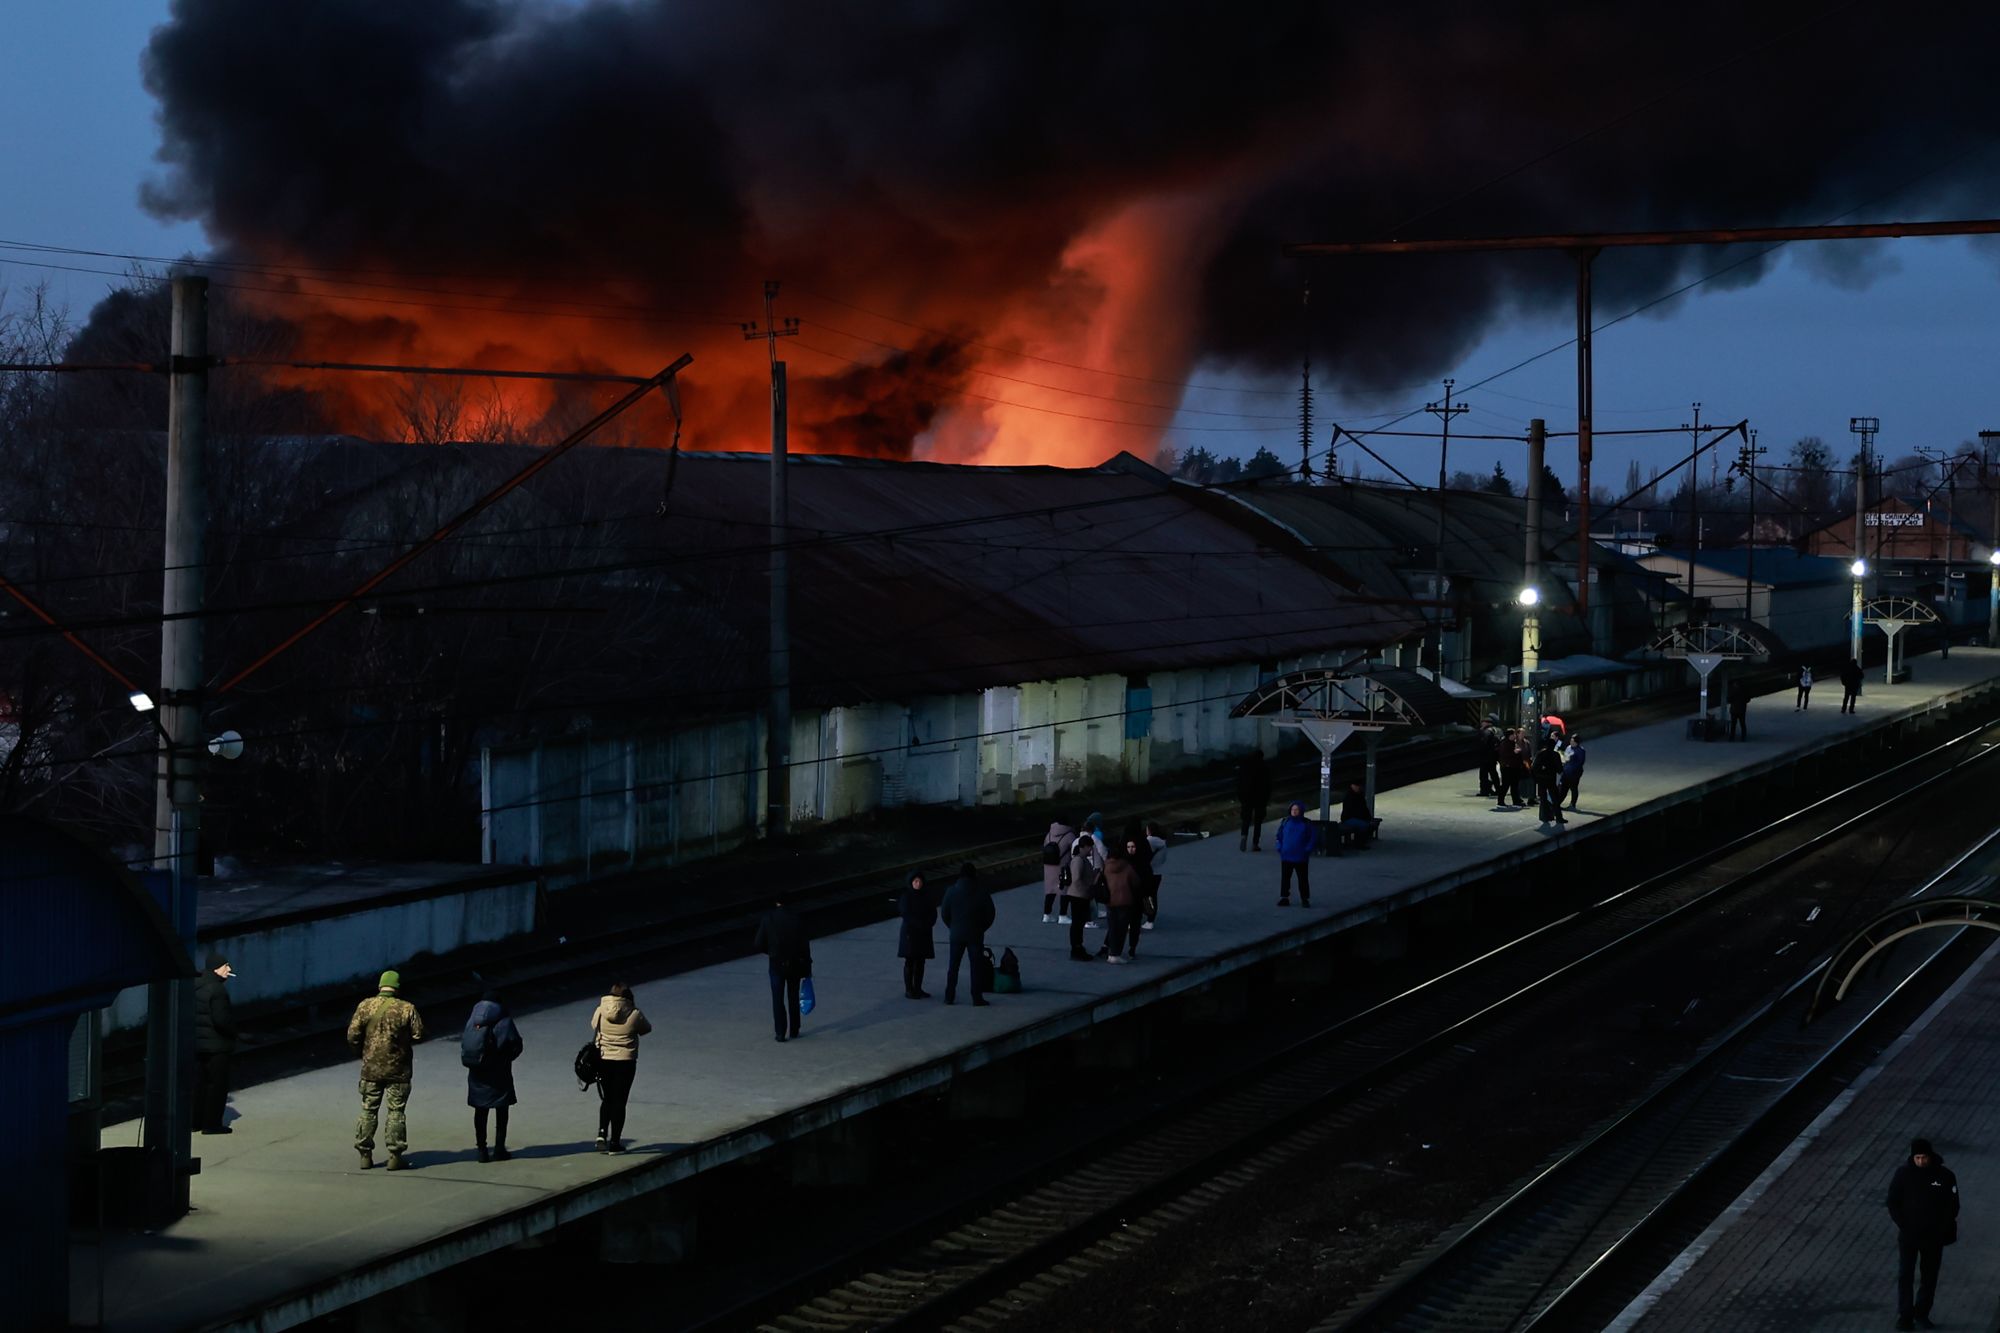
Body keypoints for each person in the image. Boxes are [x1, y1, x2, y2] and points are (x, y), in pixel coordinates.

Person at [347, 969, 425, 1171]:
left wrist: (362, 1052)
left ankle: (365, 1155)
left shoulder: (365, 1006)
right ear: (397, 988)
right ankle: (395, 1156)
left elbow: (352, 1035)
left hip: (371, 1070)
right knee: (396, 1111)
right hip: (399, 1070)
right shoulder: (407, 1008)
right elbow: (419, 1034)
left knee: (368, 1110)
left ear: (380, 986)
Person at [1887, 1136, 1959, 1330]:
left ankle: (1922, 1313)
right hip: (1909, 1236)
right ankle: (1905, 1316)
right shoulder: (1903, 1174)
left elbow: (1953, 1206)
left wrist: (1941, 1228)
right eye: (1917, 1157)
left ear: (1930, 1156)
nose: (1920, 1161)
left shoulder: (1945, 1176)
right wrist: (1903, 1224)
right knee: (1905, 1275)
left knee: (1929, 1276)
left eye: (1924, 1157)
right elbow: (1892, 1202)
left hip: (1933, 1237)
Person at [589, 982, 651, 1152]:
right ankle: (615, 1142)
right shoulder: (634, 1014)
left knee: (607, 1098)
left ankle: (601, 1134)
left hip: (603, 1059)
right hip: (626, 1062)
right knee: (620, 1101)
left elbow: (594, 1025)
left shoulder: (600, 1010)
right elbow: (647, 1029)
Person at [461, 994, 522, 1162]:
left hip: (477, 1071)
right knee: (502, 1110)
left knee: (480, 1111)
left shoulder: (473, 1018)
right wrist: (506, 1058)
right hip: (499, 1071)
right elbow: (516, 1044)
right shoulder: (504, 1019)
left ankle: (482, 1150)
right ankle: (499, 1149)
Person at [753, 899, 812, 1041]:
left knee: (777, 999)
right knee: (793, 996)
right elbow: (804, 944)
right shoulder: (797, 918)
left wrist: (771, 952)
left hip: (776, 964)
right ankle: (794, 1029)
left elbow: (758, 943)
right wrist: (807, 966)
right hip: (795, 963)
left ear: (777, 903)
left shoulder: (768, 918)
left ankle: (780, 1032)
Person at [938, 862, 996, 1005]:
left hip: (956, 934)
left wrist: (953, 927)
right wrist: (981, 928)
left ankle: (949, 996)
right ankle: (977, 997)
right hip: (975, 935)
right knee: (976, 967)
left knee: (953, 966)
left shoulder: (951, 891)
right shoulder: (981, 892)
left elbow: (944, 913)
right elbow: (990, 913)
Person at [192, 953, 238, 1135]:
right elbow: (221, 1020)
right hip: (217, 1045)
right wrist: (235, 1033)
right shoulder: (218, 990)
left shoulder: (196, 986)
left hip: (198, 1044)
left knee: (199, 1084)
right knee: (217, 1086)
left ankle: (195, 1122)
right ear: (216, 968)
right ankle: (211, 1124)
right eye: (226, 965)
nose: (229, 969)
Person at [1100, 836, 1145, 962]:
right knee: (1121, 928)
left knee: (1112, 927)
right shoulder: (1126, 866)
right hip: (1125, 900)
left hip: (1109, 900)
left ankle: (1110, 952)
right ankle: (1116, 954)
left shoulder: (1106, 866)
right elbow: (1136, 882)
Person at [898, 871, 937, 998]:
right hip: (910, 934)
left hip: (923, 933)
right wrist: (920, 924)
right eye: (915, 881)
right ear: (911, 882)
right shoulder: (906, 896)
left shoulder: (927, 896)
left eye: (920, 881)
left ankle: (918, 988)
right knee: (910, 961)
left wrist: (929, 923)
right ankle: (909, 989)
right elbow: (905, 913)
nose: (918, 883)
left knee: (921, 961)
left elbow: (933, 912)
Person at [1063, 835, 1100, 960]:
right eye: (1090, 847)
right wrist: (1088, 887)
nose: (1091, 851)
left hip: (1080, 895)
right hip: (1078, 895)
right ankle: (1076, 948)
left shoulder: (1082, 859)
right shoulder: (1078, 860)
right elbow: (1077, 878)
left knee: (1079, 923)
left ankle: (1078, 947)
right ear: (1084, 847)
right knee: (1077, 924)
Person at [1274, 800, 1317, 907]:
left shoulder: (1306, 823)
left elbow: (1312, 838)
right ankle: (1284, 897)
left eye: (1296, 809)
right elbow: (1279, 836)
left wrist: (1307, 850)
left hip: (1301, 857)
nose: (1294, 811)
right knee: (1285, 878)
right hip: (1286, 856)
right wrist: (1279, 847)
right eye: (1292, 809)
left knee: (1302, 879)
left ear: (1301, 811)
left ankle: (1304, 898)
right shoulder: (1285, 822)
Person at [1040, 818, 1077, 923]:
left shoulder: (1049, 834)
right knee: (1064, 890)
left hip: (1048, 867)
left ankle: (1046, 915)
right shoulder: (1070, 835)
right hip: (1063, 867)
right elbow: (1075, 851)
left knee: (1050, 891)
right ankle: (1062, 915)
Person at [1236, 749, 1271, 851]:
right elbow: (1268, 785)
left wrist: (1241, 797)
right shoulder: (1264, 767)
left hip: (1246, 797)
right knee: (1258, 821)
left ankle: (1243, 837)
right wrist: (1266, 798)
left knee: (1246, 819)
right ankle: (1255, 844)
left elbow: (1239, 783)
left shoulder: (1244, 767)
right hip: (1260, 798)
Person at [1534, 735, 1567, 827]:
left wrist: (1538, 775)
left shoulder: (1540, 754)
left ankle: (1544, 816)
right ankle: (1558, 817)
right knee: (1555, 799)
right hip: (1551, 779)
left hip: (1541, 779)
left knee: (1543, 798)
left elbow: (1534, 766)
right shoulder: (1555, 755)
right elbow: (1559, 769)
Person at [1143, 822, 1169, 930]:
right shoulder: (1162, 842)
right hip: (1158, 872)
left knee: (1145, 895)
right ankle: (1150, 918)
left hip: (1149, 872)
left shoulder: (1150, 840)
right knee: (1152, 895)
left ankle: (1149, 917)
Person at [1337, 782, 1376, 848]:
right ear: (1352, 786)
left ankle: (1359, 842)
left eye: (1358, 786)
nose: (1358, 787)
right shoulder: (1349, 796)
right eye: (1356, 786)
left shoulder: (1359, 795)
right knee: (1363, 825)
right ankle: (1359, 844)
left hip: (1354, 818)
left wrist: (1368, 818)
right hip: (1348, 818)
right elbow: (1353, 810)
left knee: (1364, 824)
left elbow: (1364, 808)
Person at [1476, 717, 1501, 799]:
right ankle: (1498, 789)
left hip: (1486, 757)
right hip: (1494, 756)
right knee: (1494, 774)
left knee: (1483, 775)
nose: (1482, 724)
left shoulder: (1486, 731)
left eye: (1483, 722)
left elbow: (1483, 743)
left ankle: (1484, 790)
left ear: (1487, 723)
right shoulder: (1497, 730)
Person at [1560, 733, 1586, 810]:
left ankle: (1572, 804)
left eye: (1573, 741)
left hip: (1574, 773)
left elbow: (1580, 762)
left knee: (1573, 788)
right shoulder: (1568, 748)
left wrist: (1572, 767)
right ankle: (1558, 802)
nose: (1571, 742)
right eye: (1571, 741)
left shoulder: (1580, 750)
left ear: (1576, 742)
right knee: (1563, 788)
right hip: (1566, 771)